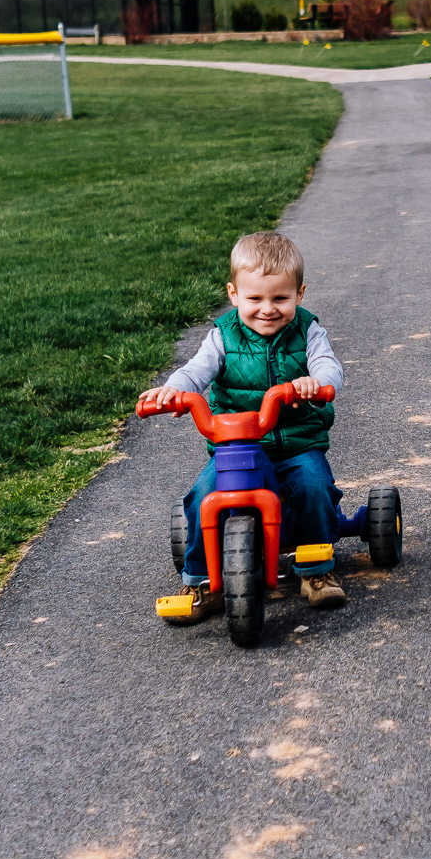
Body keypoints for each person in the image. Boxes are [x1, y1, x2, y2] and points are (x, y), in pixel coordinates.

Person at [140, 232, 351, 616]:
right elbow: (195, 372)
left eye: (280, 298)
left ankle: (316, 569)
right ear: (234, 294)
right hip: (236, 451)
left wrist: (315, 383)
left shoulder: (308, 331)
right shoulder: (222, 337)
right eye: (255, 298)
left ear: (299, 294)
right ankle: (200, 581)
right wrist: (172, 391)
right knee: (202, 496)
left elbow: (329, 367)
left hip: (296, 445)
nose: (267, 309)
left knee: (314, 486)